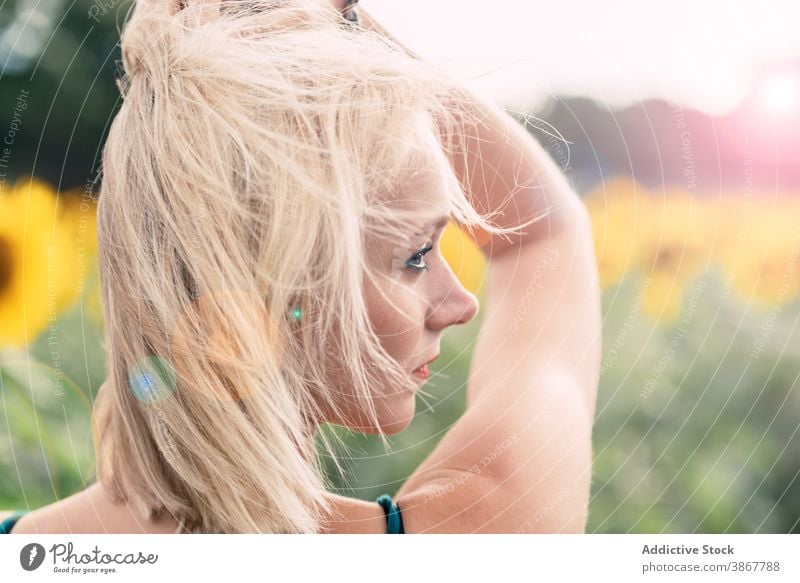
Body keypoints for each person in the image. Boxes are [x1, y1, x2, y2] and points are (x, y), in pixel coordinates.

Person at [1, 0, 600, 534]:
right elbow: (543, 232)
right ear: (268, 289)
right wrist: (334, 17)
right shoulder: (473, 533)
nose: (460, 303)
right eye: (415, 255)